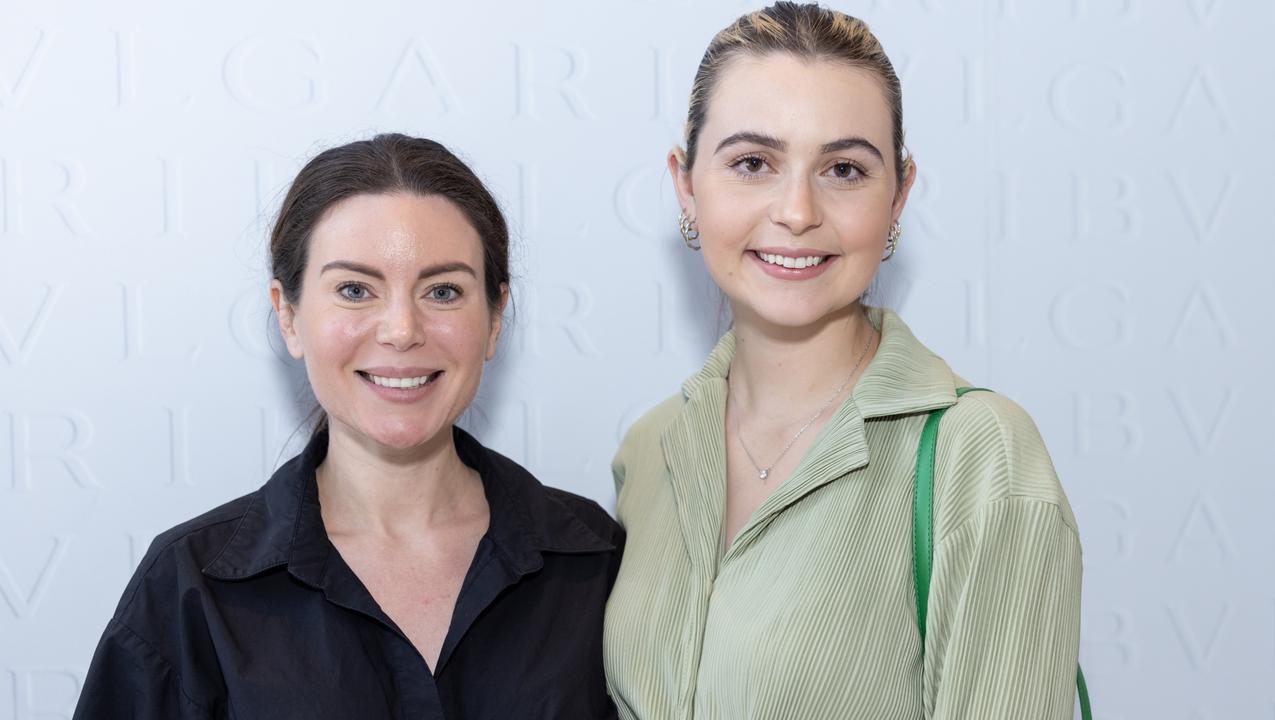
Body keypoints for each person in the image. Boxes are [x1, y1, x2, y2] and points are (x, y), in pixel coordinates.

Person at [603, 4, 1083, 719]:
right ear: (686, 185)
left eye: (845, 169)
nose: (797, 210)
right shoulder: (651, 448)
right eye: (753, 163)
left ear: (899, 197)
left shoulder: (980, 458)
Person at [74, 134, 623, 719]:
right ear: (288, 316)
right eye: (355, 290)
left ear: (494, 319)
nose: (401, 329)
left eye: (443, 291)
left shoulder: (596, 564)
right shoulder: (189, 588)